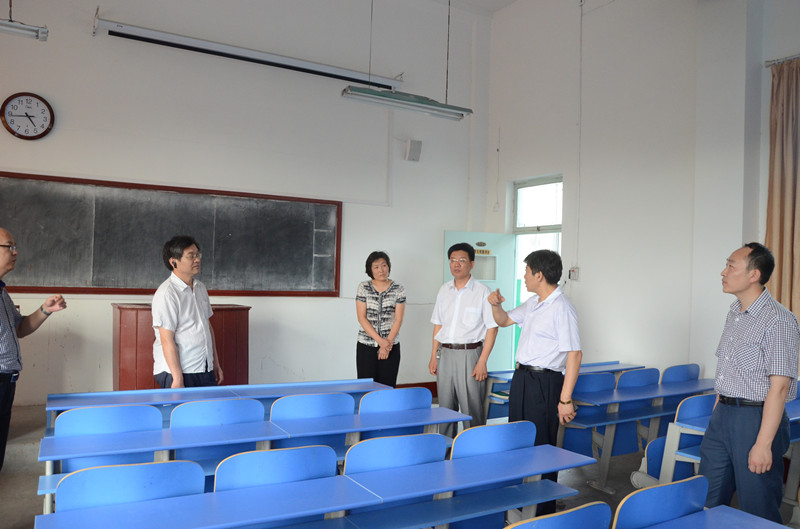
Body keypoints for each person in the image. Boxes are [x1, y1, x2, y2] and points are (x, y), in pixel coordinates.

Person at [699, 242, 799, 523]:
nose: (723, 272)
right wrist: (718, 411)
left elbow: (779, 387)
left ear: (754, 275)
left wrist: (763, 444)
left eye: (731, 266)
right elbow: (729, 370)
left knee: (758, 506)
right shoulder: (734, 313)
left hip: (755, 419)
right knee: (708, 498)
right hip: (723, 415)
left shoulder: (779, 320)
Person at [487, 249, 581, 515]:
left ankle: (542, 508)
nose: (524, 276)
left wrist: (565, 400)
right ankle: (521, 501)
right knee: (518, 439)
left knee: (541, 445)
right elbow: (504, 320)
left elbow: (575, 354)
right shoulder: (534, 302)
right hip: (523, 378)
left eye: (527, 271)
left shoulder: (562, 308)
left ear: (539, 274)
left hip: (545, 381)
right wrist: (495, 305)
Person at [0, 227, 67, 472]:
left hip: (7, 381)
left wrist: (45, 310)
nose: (15, 252)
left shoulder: (2, 291)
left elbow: (19, 328)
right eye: (9, 246)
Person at [429, 242, 498, 438]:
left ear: (472, 264)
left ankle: (474, 447)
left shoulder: (483, 291)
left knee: (471, 408)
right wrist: (433, 356)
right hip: (445, 354)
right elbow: (438, 324)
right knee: (445, 408)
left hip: (471, 355)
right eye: (452, 260)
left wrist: (482, 361)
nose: (456, 264)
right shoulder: (444, 290)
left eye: (461, 260)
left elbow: (492, 328)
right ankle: (446, 447)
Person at [152, 235, 223, 389]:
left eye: (198, 255)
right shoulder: (167, 293)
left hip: (204, 368)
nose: (197, 260)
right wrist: (177, 378)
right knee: (184, 406)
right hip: (179, 372)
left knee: (209, 406)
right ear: (174, 262)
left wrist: (214, 363)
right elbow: (166, 339)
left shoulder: (200, 288)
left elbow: (207, 327)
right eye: (191, 256)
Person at [355, 251, 406, 387]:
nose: (381, 270)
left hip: (391, 346)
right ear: (370, 269)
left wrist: (386, 345)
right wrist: (380, 342)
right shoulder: (363, 287)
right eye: (376, 267)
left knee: (387, 387)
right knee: (366, 387)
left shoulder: (398, 288)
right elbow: (362, 318)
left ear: (388, 266)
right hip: (366, 345)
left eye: (384, 265)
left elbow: (398, 319)